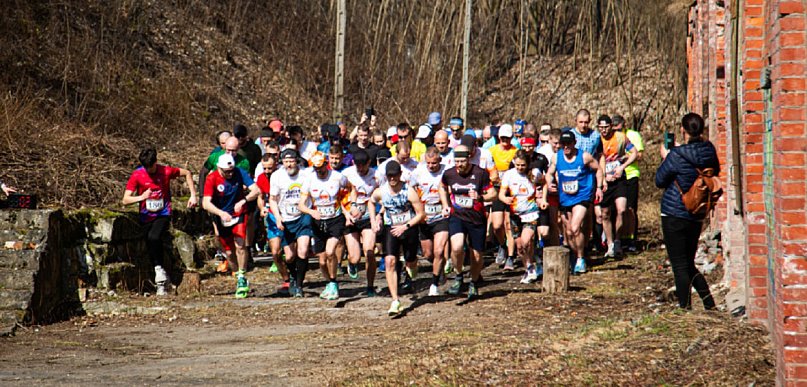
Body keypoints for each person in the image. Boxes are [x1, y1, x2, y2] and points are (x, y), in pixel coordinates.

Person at [655, 113, 717, 310]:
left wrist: (666, 158)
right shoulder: (709, 150)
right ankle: (709, 304)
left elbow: (659, 180)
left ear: (683, 130)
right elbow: (715, 170)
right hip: (697, 211)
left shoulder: (676, 154)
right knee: (688, 263)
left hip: (674, 211)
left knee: (680, 265)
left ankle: (685, 309)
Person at [122, 148, 198, 296]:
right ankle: (162, 276)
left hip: (163, 213)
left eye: (151, 166)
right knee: (151, 242)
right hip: (146, 214)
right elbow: (125, 200)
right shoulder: (137, 175)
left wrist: (193, 196)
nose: (149, 170)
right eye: (146, 167)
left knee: (154, 237)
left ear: (156, 162)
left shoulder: (166, 171)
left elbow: (187, 173)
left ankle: (159, 273)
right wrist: (141, 197)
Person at [369, 161, 425, 316]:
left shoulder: (409, 191)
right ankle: (395, 300)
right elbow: (371, 202)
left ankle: (412, 266)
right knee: (390, 261)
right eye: (389, 176)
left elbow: (421, 214)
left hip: (409, 228)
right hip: (391, 227)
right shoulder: (381, 191)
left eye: (395, 175)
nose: (392, 178)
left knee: (410, 260)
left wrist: (405, 226)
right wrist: (374, 220)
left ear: (400, 174)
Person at [440, 145, 497, 298]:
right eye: (456, 161)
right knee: (457, 247)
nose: (459, 165)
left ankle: (473, 281)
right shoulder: (449, 174)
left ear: (469, 159)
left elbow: (493, 194)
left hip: (476, 218)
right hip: (457, 216)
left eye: (462, 161)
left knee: (477, 255)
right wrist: (445, 205)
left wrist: (480, 197)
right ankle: (458, 276)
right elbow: (442, 186)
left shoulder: (480, 173)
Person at [542, 131, 603, 274]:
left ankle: (581, 258)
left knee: (575, 227)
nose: (566, 147)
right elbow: (549, 173)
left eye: (569, 144)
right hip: (565, 197)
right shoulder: (557, 158)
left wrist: (599, 187)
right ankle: (577, 255)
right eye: (564, 144)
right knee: (569, 232)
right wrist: (550, 183)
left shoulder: (584, 156)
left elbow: (598, 169)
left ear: (574, 143)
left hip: (582, 196)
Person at [202, 153, 260, 298]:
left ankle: (242, 276)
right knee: (228, 252)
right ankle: (236, 272)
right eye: (226, 171)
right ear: (218, 168)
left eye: (231, 170)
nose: (230, 173)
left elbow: (256, 190)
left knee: (240, 244)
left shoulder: (239, 172)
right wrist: (220, 213)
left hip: (238, 213)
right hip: (222, 215)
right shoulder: (212, 178)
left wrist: (243, 201)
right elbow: (205, 203)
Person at [299, 152, 350, 300]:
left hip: (335, 219)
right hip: (318, 221)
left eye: (321, 167)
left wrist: (348, 206)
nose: (319, 171)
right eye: (316, 168)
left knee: (330, 252)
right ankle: (329, 283)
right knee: (321, 261)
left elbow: (350, 188)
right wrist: (311, 212)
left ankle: (334, 282)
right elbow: (301, 205)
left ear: (326, 164)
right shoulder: (309, 180)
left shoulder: (337, 176)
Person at [269, 148, 314, 297]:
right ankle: (293, 276)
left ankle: (299, 285)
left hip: (303, 215)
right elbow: (273, 200)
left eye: (291, 161)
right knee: (289, 256)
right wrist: (277, 217)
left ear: (297, 161)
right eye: (286, 162)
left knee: (303, 250)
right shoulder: (276, 176)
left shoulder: (306, 174)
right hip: (286, 217)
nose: (289, 165)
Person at [410, 148, 449, 296]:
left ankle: (434, 283)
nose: (431, 166)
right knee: (428, 254)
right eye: (428, 163)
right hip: (425, 216)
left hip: (441, 216)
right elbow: (411, 189)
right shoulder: (419, 172)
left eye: (434, 163)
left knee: (439, 250)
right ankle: (439, 267)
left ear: (439, 160)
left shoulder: (446, 171)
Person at [596, 115, 637, 258]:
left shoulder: (620, 137)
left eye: (606, 127)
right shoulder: (596, 139)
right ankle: (610, 243)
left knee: (621, 209)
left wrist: (623, 167)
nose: (604, 130)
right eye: (601, 128)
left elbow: (634, 153)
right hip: (604, 180)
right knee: (605, 214)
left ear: (611, 126)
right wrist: (601, 177)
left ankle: (618, 239)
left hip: (619, 178)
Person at [500, 150, 542, 283]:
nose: (520, 168)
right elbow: (501, 193)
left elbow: (545, 182)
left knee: (526, 241)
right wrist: (505, 199)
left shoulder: (534, 173)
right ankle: (529, 267)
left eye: (522, 165)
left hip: (531, 213)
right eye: (517, 165)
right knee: (520, 247)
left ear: (527, 164)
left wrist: (542, 197)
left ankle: (533, 265)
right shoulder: (509, 175)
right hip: (515, 214)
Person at [342, 150, 379, 296]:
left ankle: (370, 286)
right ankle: (352, 264)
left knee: (369, 251)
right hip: (351, 218)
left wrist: (378, 215)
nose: (361, 169)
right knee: (355, 257)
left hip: (368, 217)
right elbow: (338, 198)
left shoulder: (376, 176)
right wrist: (346, 214)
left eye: (363, 166)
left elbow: (381, 195)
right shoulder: (346, 174)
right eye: (358, 167)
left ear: (369, 163)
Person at [255, 143, 291, 294]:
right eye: (265, 168)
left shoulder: (284, 175)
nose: (267, 171)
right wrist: (262, 207)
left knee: (290, 255)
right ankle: (286, 279)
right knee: (275, 252)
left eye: (270, 168)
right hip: (271, 216)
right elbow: (260, 196)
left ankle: (295, 275)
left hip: (288, 216)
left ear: (277, 164)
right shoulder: (262, 178)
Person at [489, 124, 519, 270]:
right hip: (496, 189)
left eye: (508, 138)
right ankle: (502, 246)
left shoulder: (515, 151)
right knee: (497, 225)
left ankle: (511, 257)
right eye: (502, 138)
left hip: (511, 190)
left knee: (509, 225)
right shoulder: (492, 151)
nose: (505, 141)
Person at [614, 114, 644, 253]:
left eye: (619, 129)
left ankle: (632, 238)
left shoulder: (633, 135)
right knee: (619, 210)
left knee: (630, 208)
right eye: (614, 130)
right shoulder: (611, 137)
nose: (617, 132)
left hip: (631, 174)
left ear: (624, 125)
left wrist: (624, 157)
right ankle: (619, 238)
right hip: (616, 175)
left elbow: (639, 155)